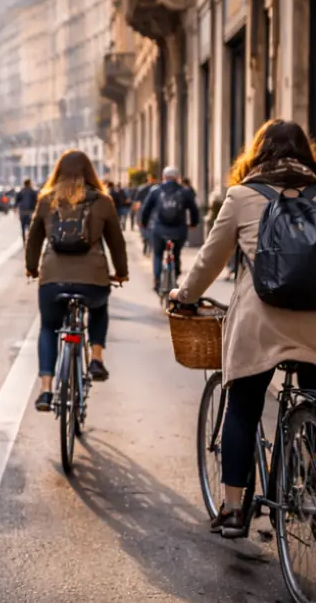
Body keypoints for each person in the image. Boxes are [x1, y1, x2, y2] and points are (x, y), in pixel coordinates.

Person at [170, 119, 316, 536]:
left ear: (256, 155)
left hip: (262, 326)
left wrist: (184, 295)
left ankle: (232, 510)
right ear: (308, 158)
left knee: (243, 407)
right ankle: (313, 490)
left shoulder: (241, 196)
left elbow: (210, 259)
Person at [25, 150, 128, 412]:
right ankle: (95, 357)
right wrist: (121, 272)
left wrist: (32, 269)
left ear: (57, 172)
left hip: (52, 280)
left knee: (49, 327)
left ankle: (46, 391)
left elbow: (34, 239)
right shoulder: (102, 202)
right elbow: (117, 243)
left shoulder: (47, 200)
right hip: (92, 279)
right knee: (99, 308)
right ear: (90, 173)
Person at [140, 165, 200, 292]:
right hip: (179, 231)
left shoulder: (156, 190)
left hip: (159, 230)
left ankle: (157, 279)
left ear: (163, 177)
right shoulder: (185, 191)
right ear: (177, 178)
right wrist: (194, 223)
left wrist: (143, 224)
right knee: (176, 254)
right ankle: (175, 275)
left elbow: (146, 209)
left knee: (157, 254)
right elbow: (194, 210)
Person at [129, 172, 155, 253]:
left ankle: (145, 238)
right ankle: (148, 240)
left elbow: (136, 202)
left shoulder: (142, 188)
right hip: (152, 210)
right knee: (150, 226)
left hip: (143, 209)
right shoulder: (157, 189)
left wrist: (135, 210)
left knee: (142, 224)